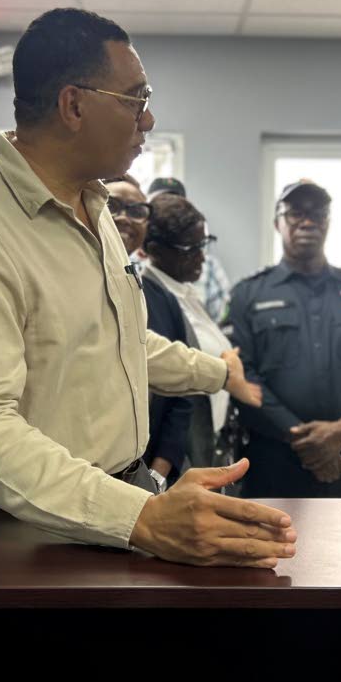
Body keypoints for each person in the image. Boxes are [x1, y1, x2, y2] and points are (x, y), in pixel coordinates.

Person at [0, 7, 296, 567]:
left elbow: (121, 341)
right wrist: (140, 517)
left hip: (114, 505)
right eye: (136, 99)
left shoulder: (92, 205)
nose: (149, 119)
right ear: (74, 105)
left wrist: (217, 373)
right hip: (29, 534)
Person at [226, 180, 341, 498]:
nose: (307, 221)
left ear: (328, 223)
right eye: (296, 213)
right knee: (268, 548)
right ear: (278, 223)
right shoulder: (247, 294)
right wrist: (301, 437)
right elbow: (241, 374)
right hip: (272, 459)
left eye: (318, 213)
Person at [104, 175, 192, 482]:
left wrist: (157, 472)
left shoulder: (158, 296)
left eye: (136, 210)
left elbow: (181, 391)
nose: (124, 218)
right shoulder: (61, 281)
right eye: (111, 205)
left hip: (144, 473)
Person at [143, 193, 235, 474]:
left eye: (203, 244)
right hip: (166, 459)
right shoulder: (150, 297)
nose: (201, 256)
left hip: (199, 446)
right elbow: (173, 385)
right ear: (155, 249)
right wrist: (161, 467)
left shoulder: (185, 293)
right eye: (189, 248)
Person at [148, 176, 231, 323]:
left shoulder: (209, 266)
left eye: (177, 204)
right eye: (161, 204)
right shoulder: (130, 264)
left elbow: (220, 318)